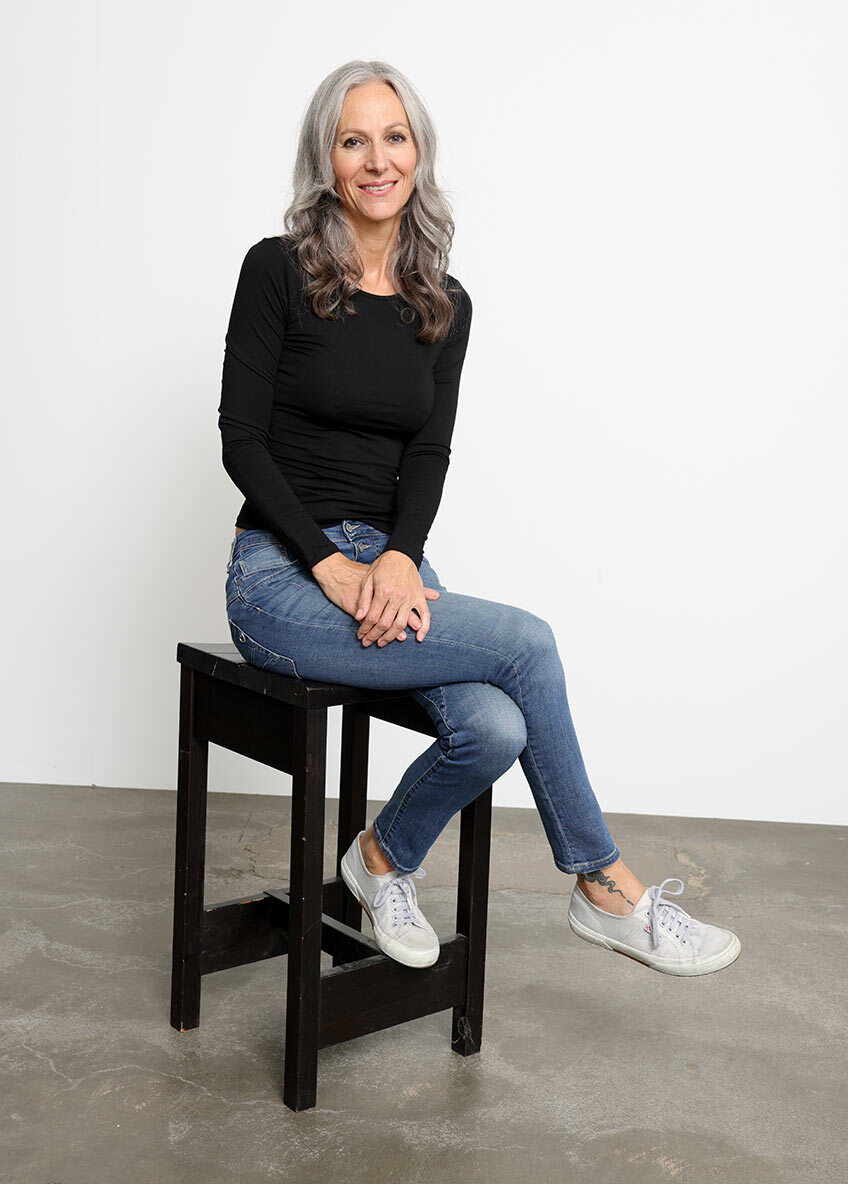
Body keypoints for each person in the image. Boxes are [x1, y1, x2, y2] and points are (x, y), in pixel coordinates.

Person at [219, 60, 742, 978]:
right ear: (325, 159)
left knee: (496, 728)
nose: (377, 160)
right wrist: (330, 566)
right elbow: (241, 439)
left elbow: (428, 454)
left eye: (394, 138)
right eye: (353, 141)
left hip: (386, 563)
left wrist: (398, 558)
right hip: (281, 576)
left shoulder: (443, 302)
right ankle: (604, 887)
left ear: (418, 153)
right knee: (528, 643)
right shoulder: (276, 270)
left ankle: (380, 858)